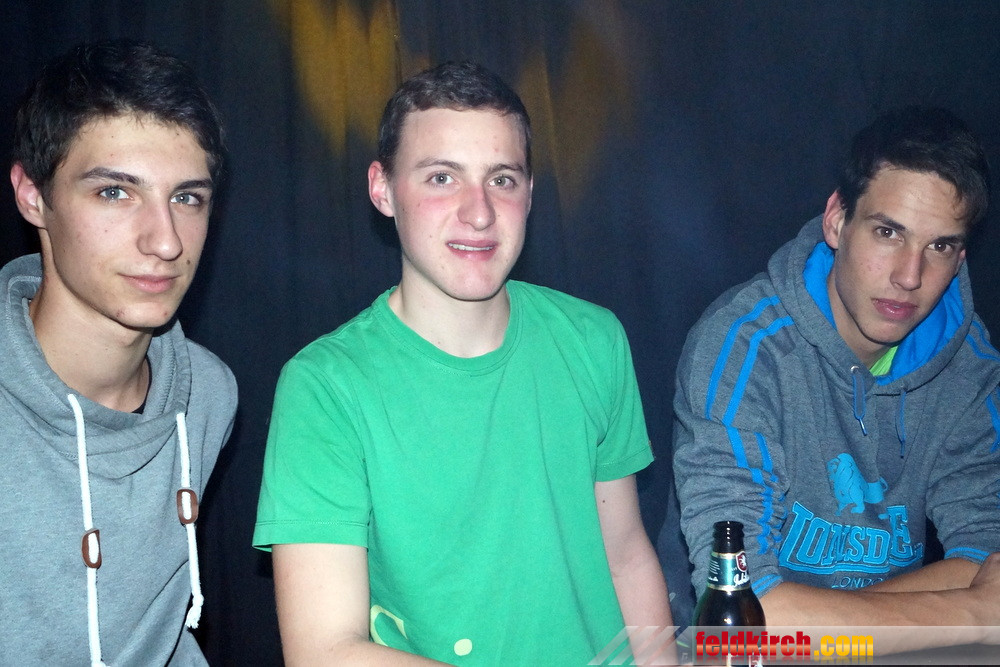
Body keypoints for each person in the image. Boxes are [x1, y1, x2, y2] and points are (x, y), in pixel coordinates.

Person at [254, 61, 673, 665]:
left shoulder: (593, 339)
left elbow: (626, 555)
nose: (479, 212)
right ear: (382, 189)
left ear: (530, 193)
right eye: (442, 177)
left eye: (502, 179)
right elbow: (324, 651)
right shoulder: (326, 386)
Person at [672, 106, 1000, 649]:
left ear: (961, 256)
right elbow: (744, 614)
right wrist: (969, 617)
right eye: (888, 232)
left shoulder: (969, 365)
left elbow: (987, 558)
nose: (909, 276)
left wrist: (844, 628)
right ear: (836, 221)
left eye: (939, 246)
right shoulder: (743, 347)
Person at [0, 41, 237, 665]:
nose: (166, 241)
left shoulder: (206, 395)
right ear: (32, 196)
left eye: (186, 198)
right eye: (114, 192)